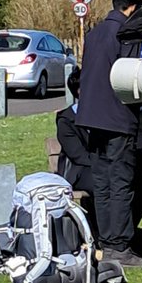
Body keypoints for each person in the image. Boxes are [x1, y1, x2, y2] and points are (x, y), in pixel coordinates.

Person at [76, 0, 142, 268]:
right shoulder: (127, 35)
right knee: (121, 182)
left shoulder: (94, 34)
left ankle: (107, 242)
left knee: (102, 182)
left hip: (90, 118)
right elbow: (134, 78)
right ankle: (120, 246)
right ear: (132, 8)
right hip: (118, 118)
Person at [55, 67, 92, 196]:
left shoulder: (103, 116)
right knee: (105, 183)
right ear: (80, 91)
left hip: (101, 168)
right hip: (78, 172)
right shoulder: (66, 121)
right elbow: (78, 155)